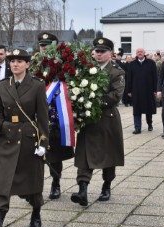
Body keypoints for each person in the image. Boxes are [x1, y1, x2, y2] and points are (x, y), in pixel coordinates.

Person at [0, 49, 49, 227]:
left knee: (32, 181)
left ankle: (36, 214)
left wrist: (43, 144)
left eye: (20, 61)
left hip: (29, 140)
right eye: (12, 61)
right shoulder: (3, 85)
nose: (15, 64)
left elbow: (43, 119)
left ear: (28, 64)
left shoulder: (37, 85)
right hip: (7, 139)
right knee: (3, 182)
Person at [71, 37, 125, 206]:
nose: (98, 54)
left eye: (102, 51)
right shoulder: (86, 69)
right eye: (97, 51)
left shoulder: (117, 72)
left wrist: (92, 101)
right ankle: (82, 190)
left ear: (110, 54)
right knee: (85, 155)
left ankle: (106, 186)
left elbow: (115, 96)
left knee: (109, 156)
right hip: (88, 120)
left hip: (107, 119)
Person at [34, 32, 74, 200]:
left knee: (54, 152)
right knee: (33, 153)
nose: (44, 48)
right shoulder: (33, 63)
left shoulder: (60, 63)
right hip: (34, 112)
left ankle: (55, 183)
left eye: (47, 45)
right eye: (42, 45)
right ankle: (34, 187)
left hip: (55, 113)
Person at [127, 48, 157, 134]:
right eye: (138, 52)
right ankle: (137, 127)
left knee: (149, 109)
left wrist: (155, 89)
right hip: (136, 90)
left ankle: (149, 124)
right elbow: (129, 78)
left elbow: (155, 77)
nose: (139, 53)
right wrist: (129, 90)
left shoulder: (151, 63)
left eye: (141, 52)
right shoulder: (132, 64)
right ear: (136, 53)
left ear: (144, 53)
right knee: (136, 109)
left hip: (148, 89)